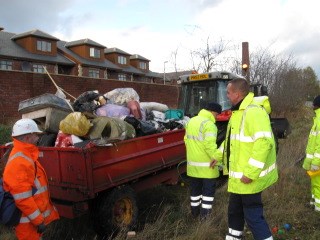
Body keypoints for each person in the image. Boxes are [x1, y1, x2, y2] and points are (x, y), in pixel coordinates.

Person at [222, 78, 278, 240]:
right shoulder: (238, 113)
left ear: (237, 94)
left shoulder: (253, 112)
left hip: (248, 179)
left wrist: (250, 173)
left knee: (253, 217)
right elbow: (231, 143)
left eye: (228, 92)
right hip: (238, 179)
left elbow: (264, 143)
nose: (227, 95)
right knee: (234, 212)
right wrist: (218, 156)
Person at [3, 118, 59, 240]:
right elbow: (22, 198)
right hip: (28, 224)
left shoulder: (25, 155)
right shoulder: (20, 162)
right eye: (36, 135)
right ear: (28, 137)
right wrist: (38, 221)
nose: (38, 138)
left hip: (31, 221)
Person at [184, 102, 223, 219]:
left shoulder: (191, 121)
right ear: (213, 112)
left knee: (195, 193)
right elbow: (209, 146)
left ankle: (194, 214)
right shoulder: (209, 125)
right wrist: (218, 159)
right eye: (217, 114)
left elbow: (186, 140)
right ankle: (204, 218)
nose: (217, 117)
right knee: (207, 195)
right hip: (208, 168)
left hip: (193, 167)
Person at [303, 95, 320, 211]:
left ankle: (318, 208)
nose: (312, 107)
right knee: (315, 183)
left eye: (314, 105)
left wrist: (316, 162)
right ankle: (314, 203)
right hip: (314, 161)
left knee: (318, 184)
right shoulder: (317, 119)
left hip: (317, 162)